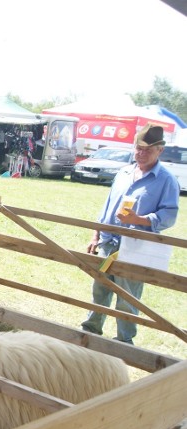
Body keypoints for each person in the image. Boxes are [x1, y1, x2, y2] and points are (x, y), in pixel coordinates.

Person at [80, 124, 179, 344]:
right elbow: (107, 207)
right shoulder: (124, 172)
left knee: (127, 297)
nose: (141, 154)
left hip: (136, 247)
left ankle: (124, 342)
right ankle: (90, 331)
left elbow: (170, 215)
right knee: (100, 289)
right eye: (138, 148)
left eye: (148, 150)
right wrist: (95, 235)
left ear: (160, 150)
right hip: (108, 242)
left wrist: (141, 220)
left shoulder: (166, 180)